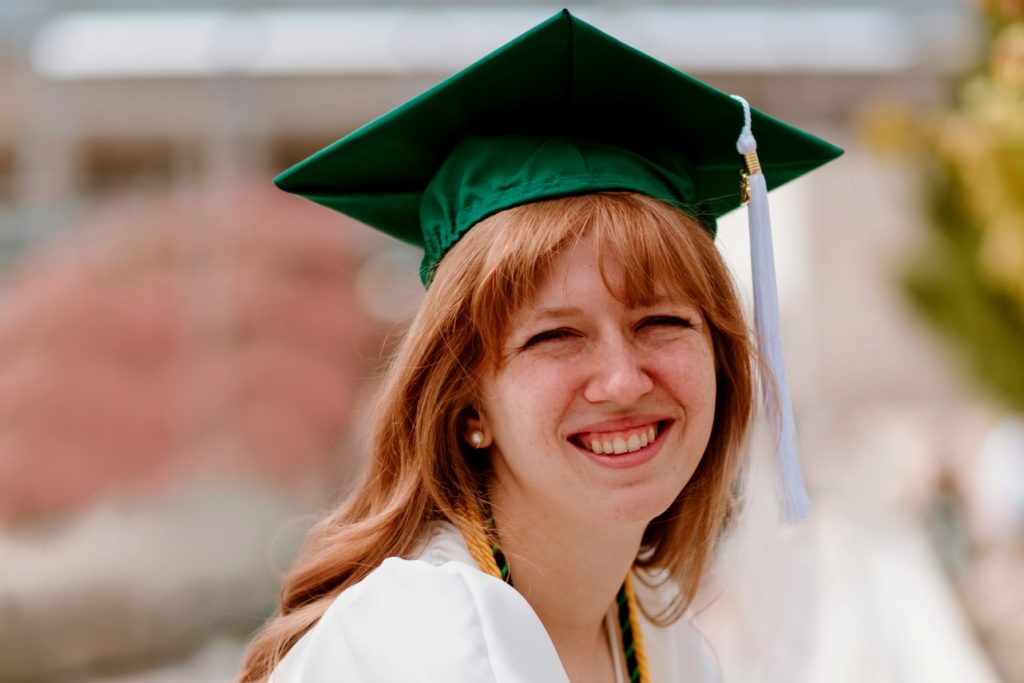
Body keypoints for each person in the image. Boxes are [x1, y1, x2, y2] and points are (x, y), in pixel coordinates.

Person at [238, 10, 841, 683]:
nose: (623, 378)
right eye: (556, 335)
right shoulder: (424, 639)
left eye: (661, 322)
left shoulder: (648, 628)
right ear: (469, 406)